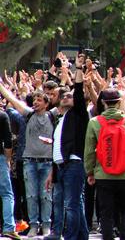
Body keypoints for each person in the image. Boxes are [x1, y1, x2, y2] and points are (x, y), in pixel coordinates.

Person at [84, 88, 125, 240]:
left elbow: (89, 151)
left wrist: (90, 172)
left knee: (106, 211)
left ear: (103, 102)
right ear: (119, 103)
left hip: (103, 173)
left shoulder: (94, 122)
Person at [0, 83, 55, 237]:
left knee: (46, 194)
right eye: (34, 99)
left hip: (47, 162)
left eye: (39, 99)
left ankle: (46, 225)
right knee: (30, 195)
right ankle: (33, 225)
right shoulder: (28, 114)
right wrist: (2, 87)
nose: (35, 102)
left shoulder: (52, 115)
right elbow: (12, 99)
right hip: (29, 161)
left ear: (47, 103)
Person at [44, 55, 89, 240]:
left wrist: (78, 69)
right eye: (64, 96)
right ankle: (82, 236)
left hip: (74, 165)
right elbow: (57, 149)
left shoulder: (78, 115)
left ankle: (70, 237)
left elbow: (78, 91)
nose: (66, 97)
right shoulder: (60, 120)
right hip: (61, 166)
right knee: (73, 203)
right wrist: (52, 172)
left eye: (70, 96)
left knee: (71, 205)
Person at [0, 109, 21, 239]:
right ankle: (8, 227)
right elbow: (8, 141)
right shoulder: (2, 115)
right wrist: (8, 160)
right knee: (6, 193)